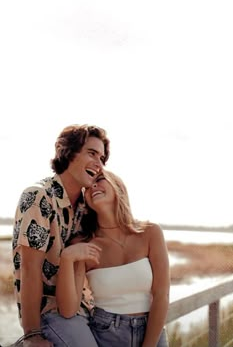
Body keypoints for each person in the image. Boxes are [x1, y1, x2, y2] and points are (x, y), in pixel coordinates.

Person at [12, 124, 110, 347]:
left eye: (102, 158)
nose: (99, 163)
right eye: (92, 153)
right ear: (66, 151)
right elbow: (30, 270)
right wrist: (32, 334)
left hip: (84, 309)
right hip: (49, 314)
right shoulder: (39, 196)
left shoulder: (87, 205)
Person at [56, 170, 170, 347]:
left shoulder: (151, 232)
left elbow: (161, 294)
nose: (93, 185)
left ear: (118, 187)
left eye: (100, 179)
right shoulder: (84, 243)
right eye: (88, 186)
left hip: (153, 332)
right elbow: (68, 310)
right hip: (106, 334)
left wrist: (148, 345)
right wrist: (67, 258)